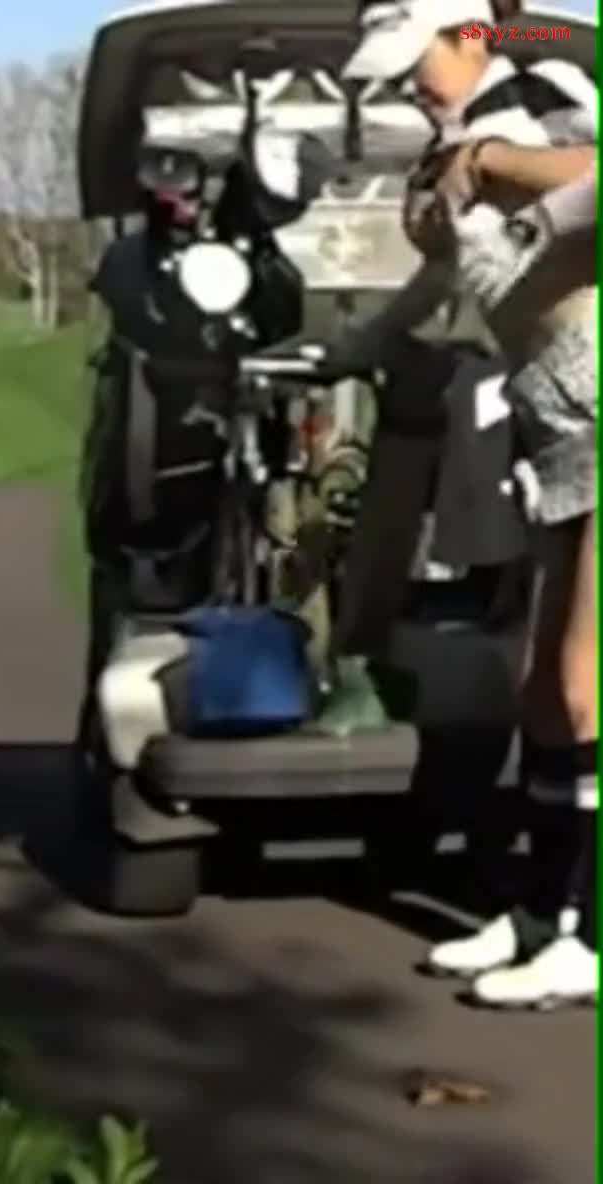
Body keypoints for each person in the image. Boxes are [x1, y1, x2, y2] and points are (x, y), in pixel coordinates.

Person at [333, 0, 598, 1009]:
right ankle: (541, 913)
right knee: (543, 690)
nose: (406, 84)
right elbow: (445, 272)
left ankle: (589, 933)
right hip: (554, 424)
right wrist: (356, 349)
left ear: (470, 36)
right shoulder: (449, 145)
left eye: (418, 61)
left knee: (583, 683)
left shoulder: (541, 93)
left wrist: (492, 160)